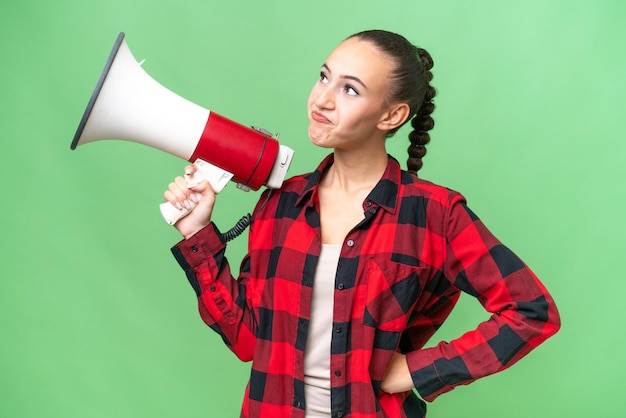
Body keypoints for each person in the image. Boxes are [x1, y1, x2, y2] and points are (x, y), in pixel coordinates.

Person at [164, 29, 560, 418]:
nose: (322, 99)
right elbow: (249, 339)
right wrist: (198, 234)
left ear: (392, 115)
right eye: (324, 77)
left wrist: (417, 370)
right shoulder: (280, 203)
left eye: (349, 89)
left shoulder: (434, 214)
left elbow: (531, 312)